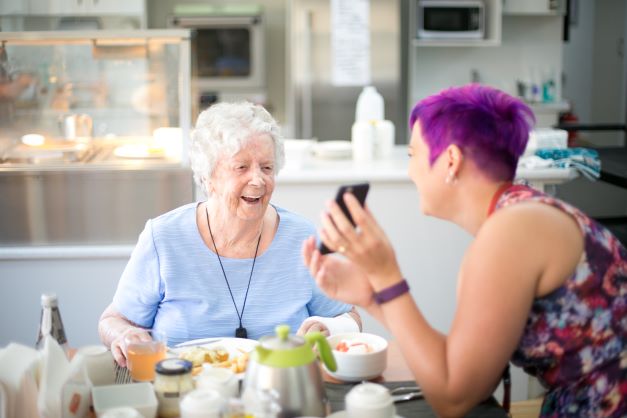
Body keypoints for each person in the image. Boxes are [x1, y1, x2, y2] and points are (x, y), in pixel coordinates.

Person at [302, 84, 626, 417]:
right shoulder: (519, 217)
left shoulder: (511, 233)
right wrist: (372, 296)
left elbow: (454, 396)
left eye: (413, 155)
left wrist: (386, 275)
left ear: (451, 161)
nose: (411, 170)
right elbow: (473, 376)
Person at [100, 102, 361, 366]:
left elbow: (349, 317)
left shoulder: (303, 239)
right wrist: (123, 335)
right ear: (209, 175)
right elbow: (112, 321)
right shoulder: (164, 238)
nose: (258, 180)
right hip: (182, 394)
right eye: (241, 167)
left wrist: (328, 328)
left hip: (277, 393)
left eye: (267, 167)